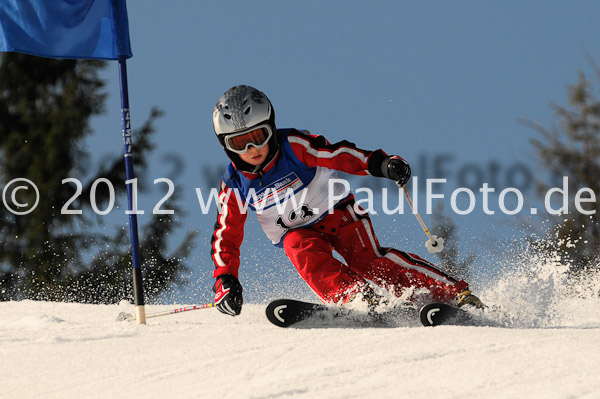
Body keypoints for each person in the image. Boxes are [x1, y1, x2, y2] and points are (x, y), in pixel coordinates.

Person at [210, 85, 483, 316]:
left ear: (270, 129)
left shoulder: (293, 146)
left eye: (258, 137)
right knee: (301, 251)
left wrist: (379, 164)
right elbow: (227, 235)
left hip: (338, 214)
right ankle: (358, 299)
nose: (252, 149)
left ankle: (453, 294)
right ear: (226, 146)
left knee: (368, 261)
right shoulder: (234, 184)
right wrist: (226, 278)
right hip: (297, 232)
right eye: (239, 143)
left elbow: (338, 154)